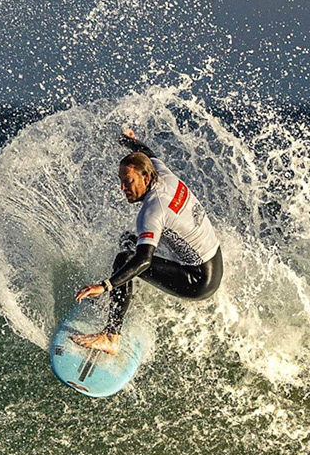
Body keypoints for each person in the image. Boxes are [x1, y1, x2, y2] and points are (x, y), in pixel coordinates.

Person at [70, 127, 224, 353]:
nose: (123, 188)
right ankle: (123, 295)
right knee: (128, 240)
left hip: (198, 281)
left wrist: (105, 285)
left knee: (126, 259)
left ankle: (111, 337)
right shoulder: (162, 174)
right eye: (121, 181)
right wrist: (128, 141)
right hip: (214, 260)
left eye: (128, 181)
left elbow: (143, 260)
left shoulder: (152, 210)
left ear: (145, 177)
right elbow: (147, 152)